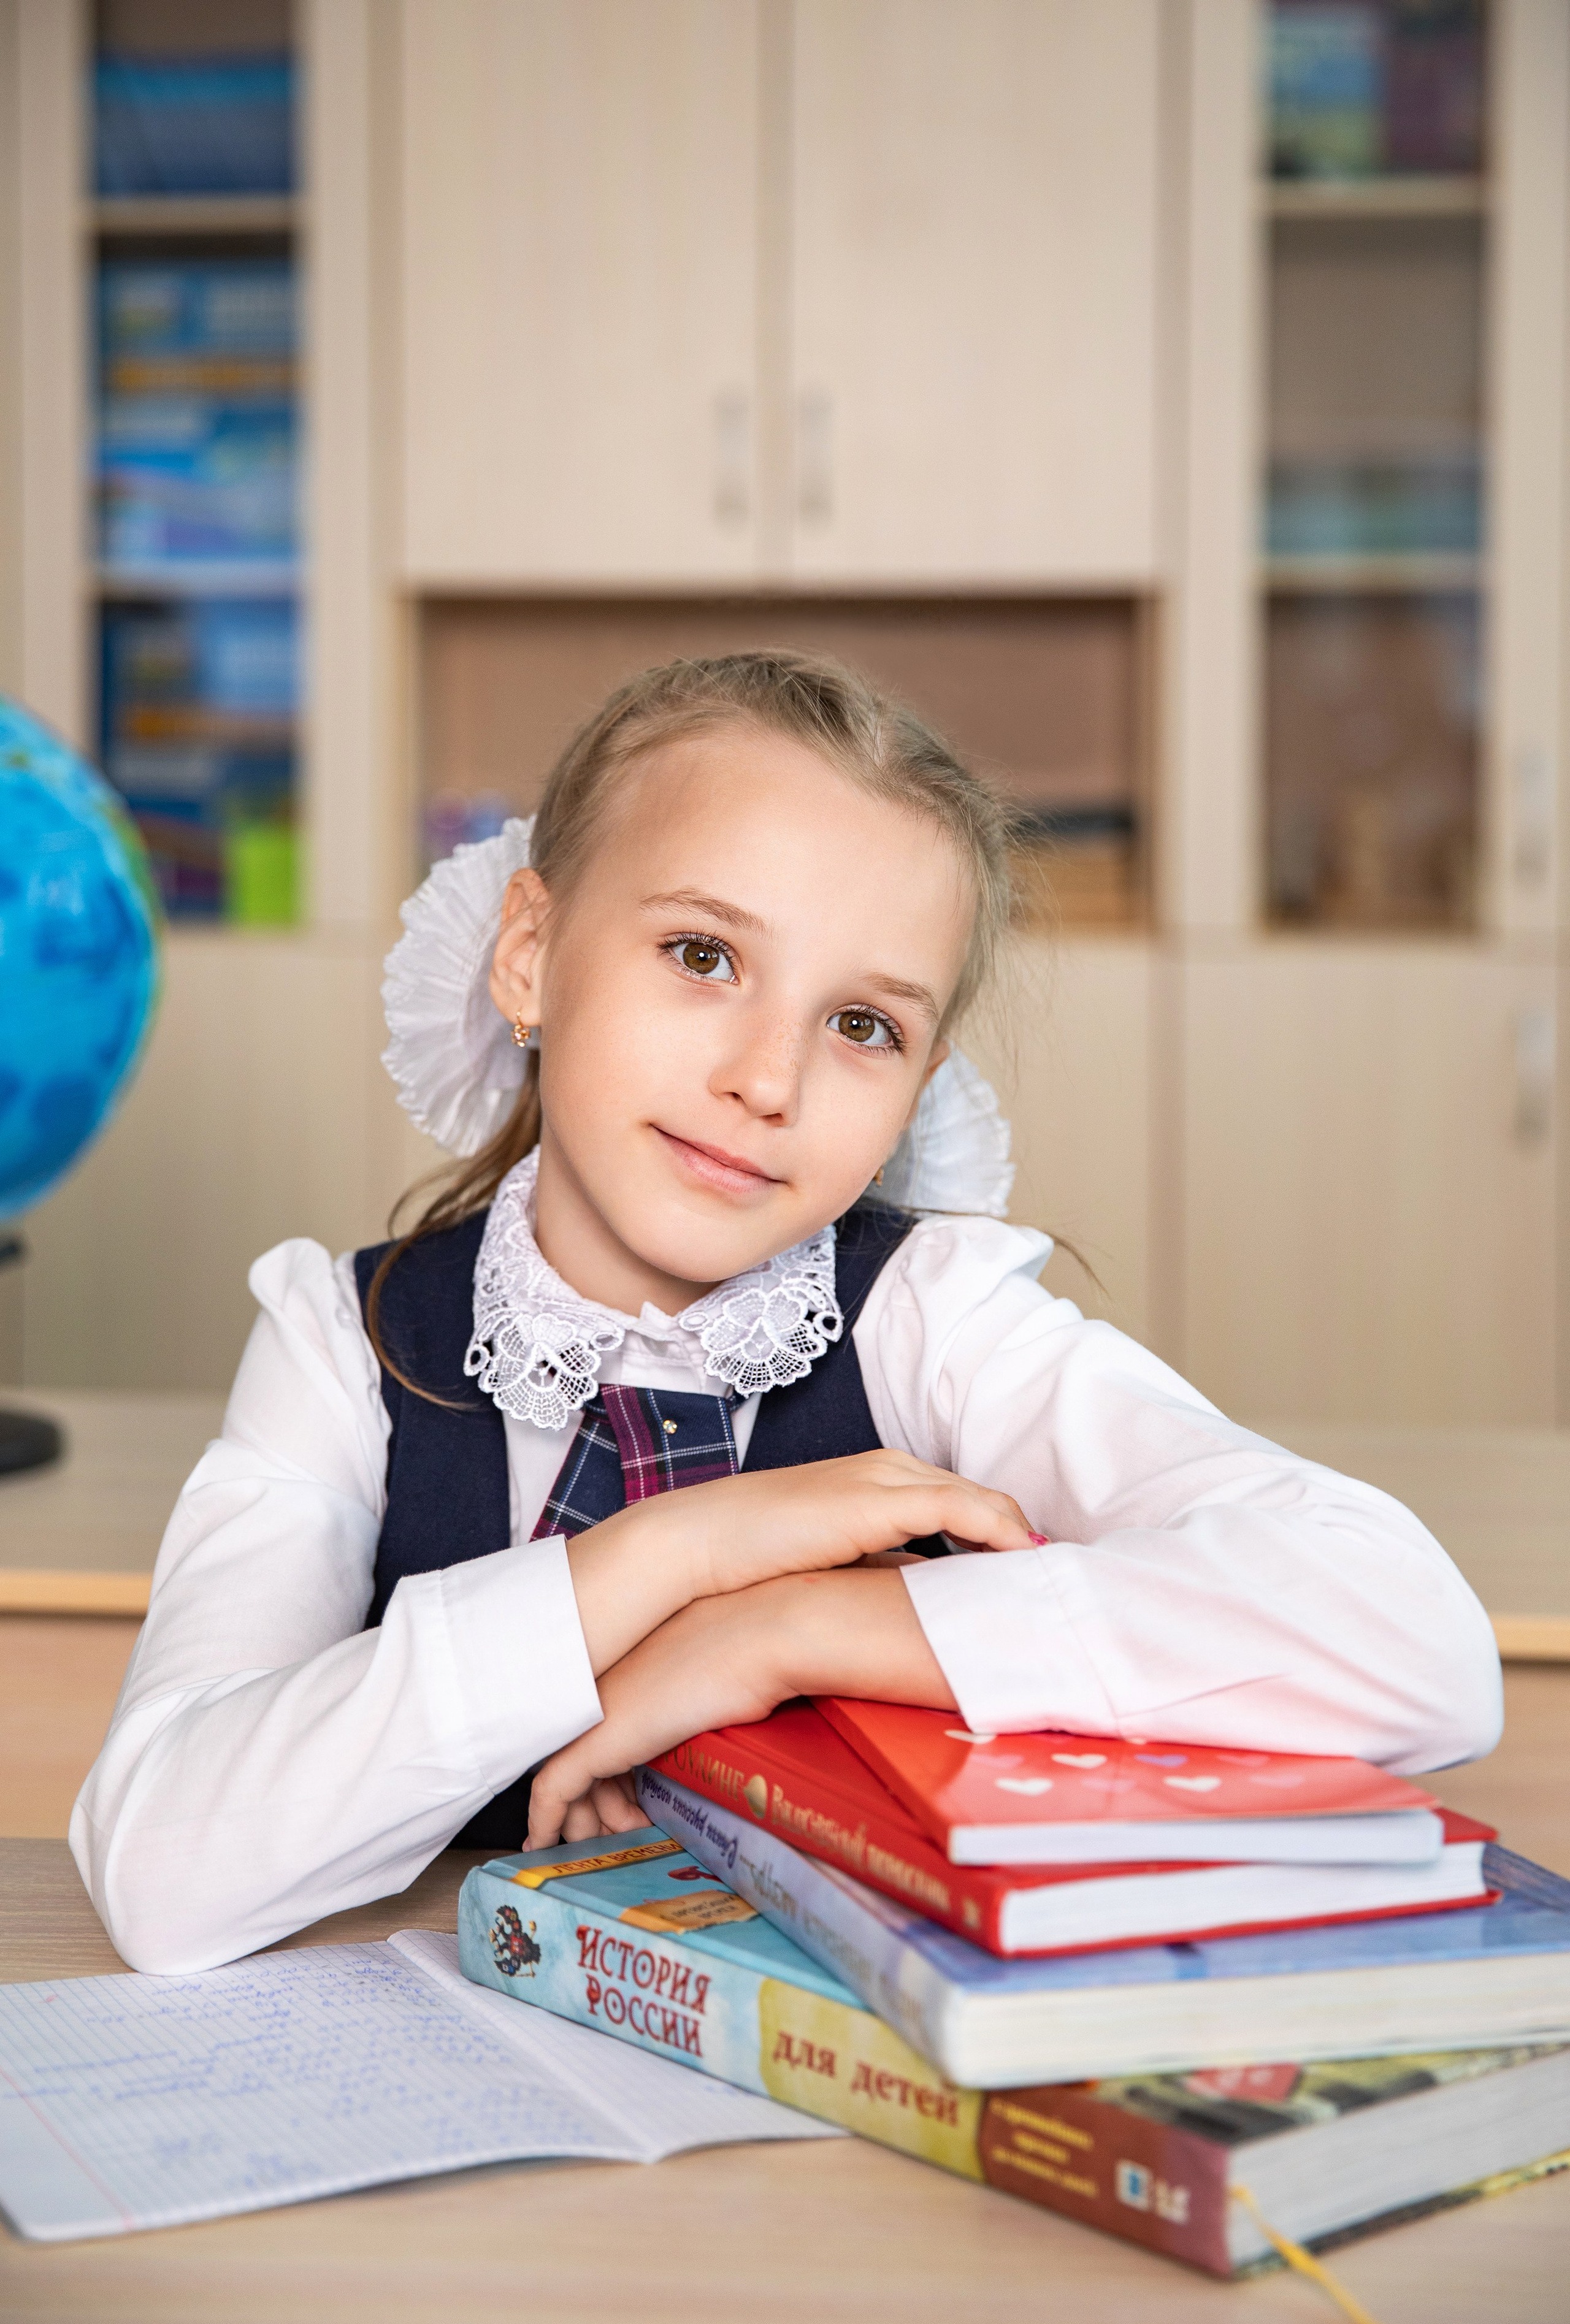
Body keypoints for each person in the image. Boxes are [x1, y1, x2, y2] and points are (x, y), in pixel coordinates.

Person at [71, 652, 1501, 1974]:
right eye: (702, 955)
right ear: (528, 953)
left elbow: (1415, 1638)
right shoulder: (345, 1339)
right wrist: (673, 1555)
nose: (770, 1079)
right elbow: (159, 1870)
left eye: (861, 1025)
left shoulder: (932, 1316)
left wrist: (788, 1629)